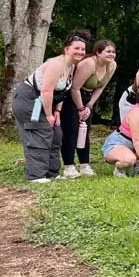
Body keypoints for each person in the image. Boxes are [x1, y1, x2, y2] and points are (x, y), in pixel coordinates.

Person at [12, 31, 87, 183]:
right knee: (41, 131)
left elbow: (62, 91)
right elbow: (46, 90)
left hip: (46, 102)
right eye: (76, 48)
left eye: (83, 49)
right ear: (67, 49)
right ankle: (36, 175)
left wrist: (57, 112)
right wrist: (48, 115)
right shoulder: (55, 64)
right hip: (29, 100)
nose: (80, 52)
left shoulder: (71, 66)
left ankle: (52, 172)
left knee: (56, 133)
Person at [59, 39, 117, 178]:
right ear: (98, 52)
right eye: (108, 51)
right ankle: (69, 166)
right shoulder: (89, 63)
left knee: (85, 131)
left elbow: (101, 87)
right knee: (71, 131)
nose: (111, 54)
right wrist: (80, 108)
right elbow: (75, 88)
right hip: (72, 97)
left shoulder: (112, 65)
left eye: (113, 52)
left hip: (88, 98)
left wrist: (90, 105)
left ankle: (85, 165)